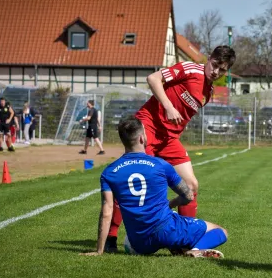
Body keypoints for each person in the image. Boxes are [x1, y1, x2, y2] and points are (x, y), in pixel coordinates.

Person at [104, 45, 236, 252]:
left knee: (191, 185)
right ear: (209, 59)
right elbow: (153, 78)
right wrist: (167, 105)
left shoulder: (208, 92)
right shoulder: (190, 69)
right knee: (135, 180)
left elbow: (181, 119)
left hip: (169, 139)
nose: (216, 71)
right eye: (215, 65)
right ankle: (110, 238)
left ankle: (184, 244)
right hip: (148, 128)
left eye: (222, 69)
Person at [81, 116, 227, 258]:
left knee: (131, 241)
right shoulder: (161, 165)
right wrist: (172, 203)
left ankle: (176, 245)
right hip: (167, 230)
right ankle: (193, 250)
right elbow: (188, 195)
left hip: (140, 242)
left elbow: (107, 212)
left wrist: (99, 250)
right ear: (142, 138)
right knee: (220, 231)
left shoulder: (109, 172)